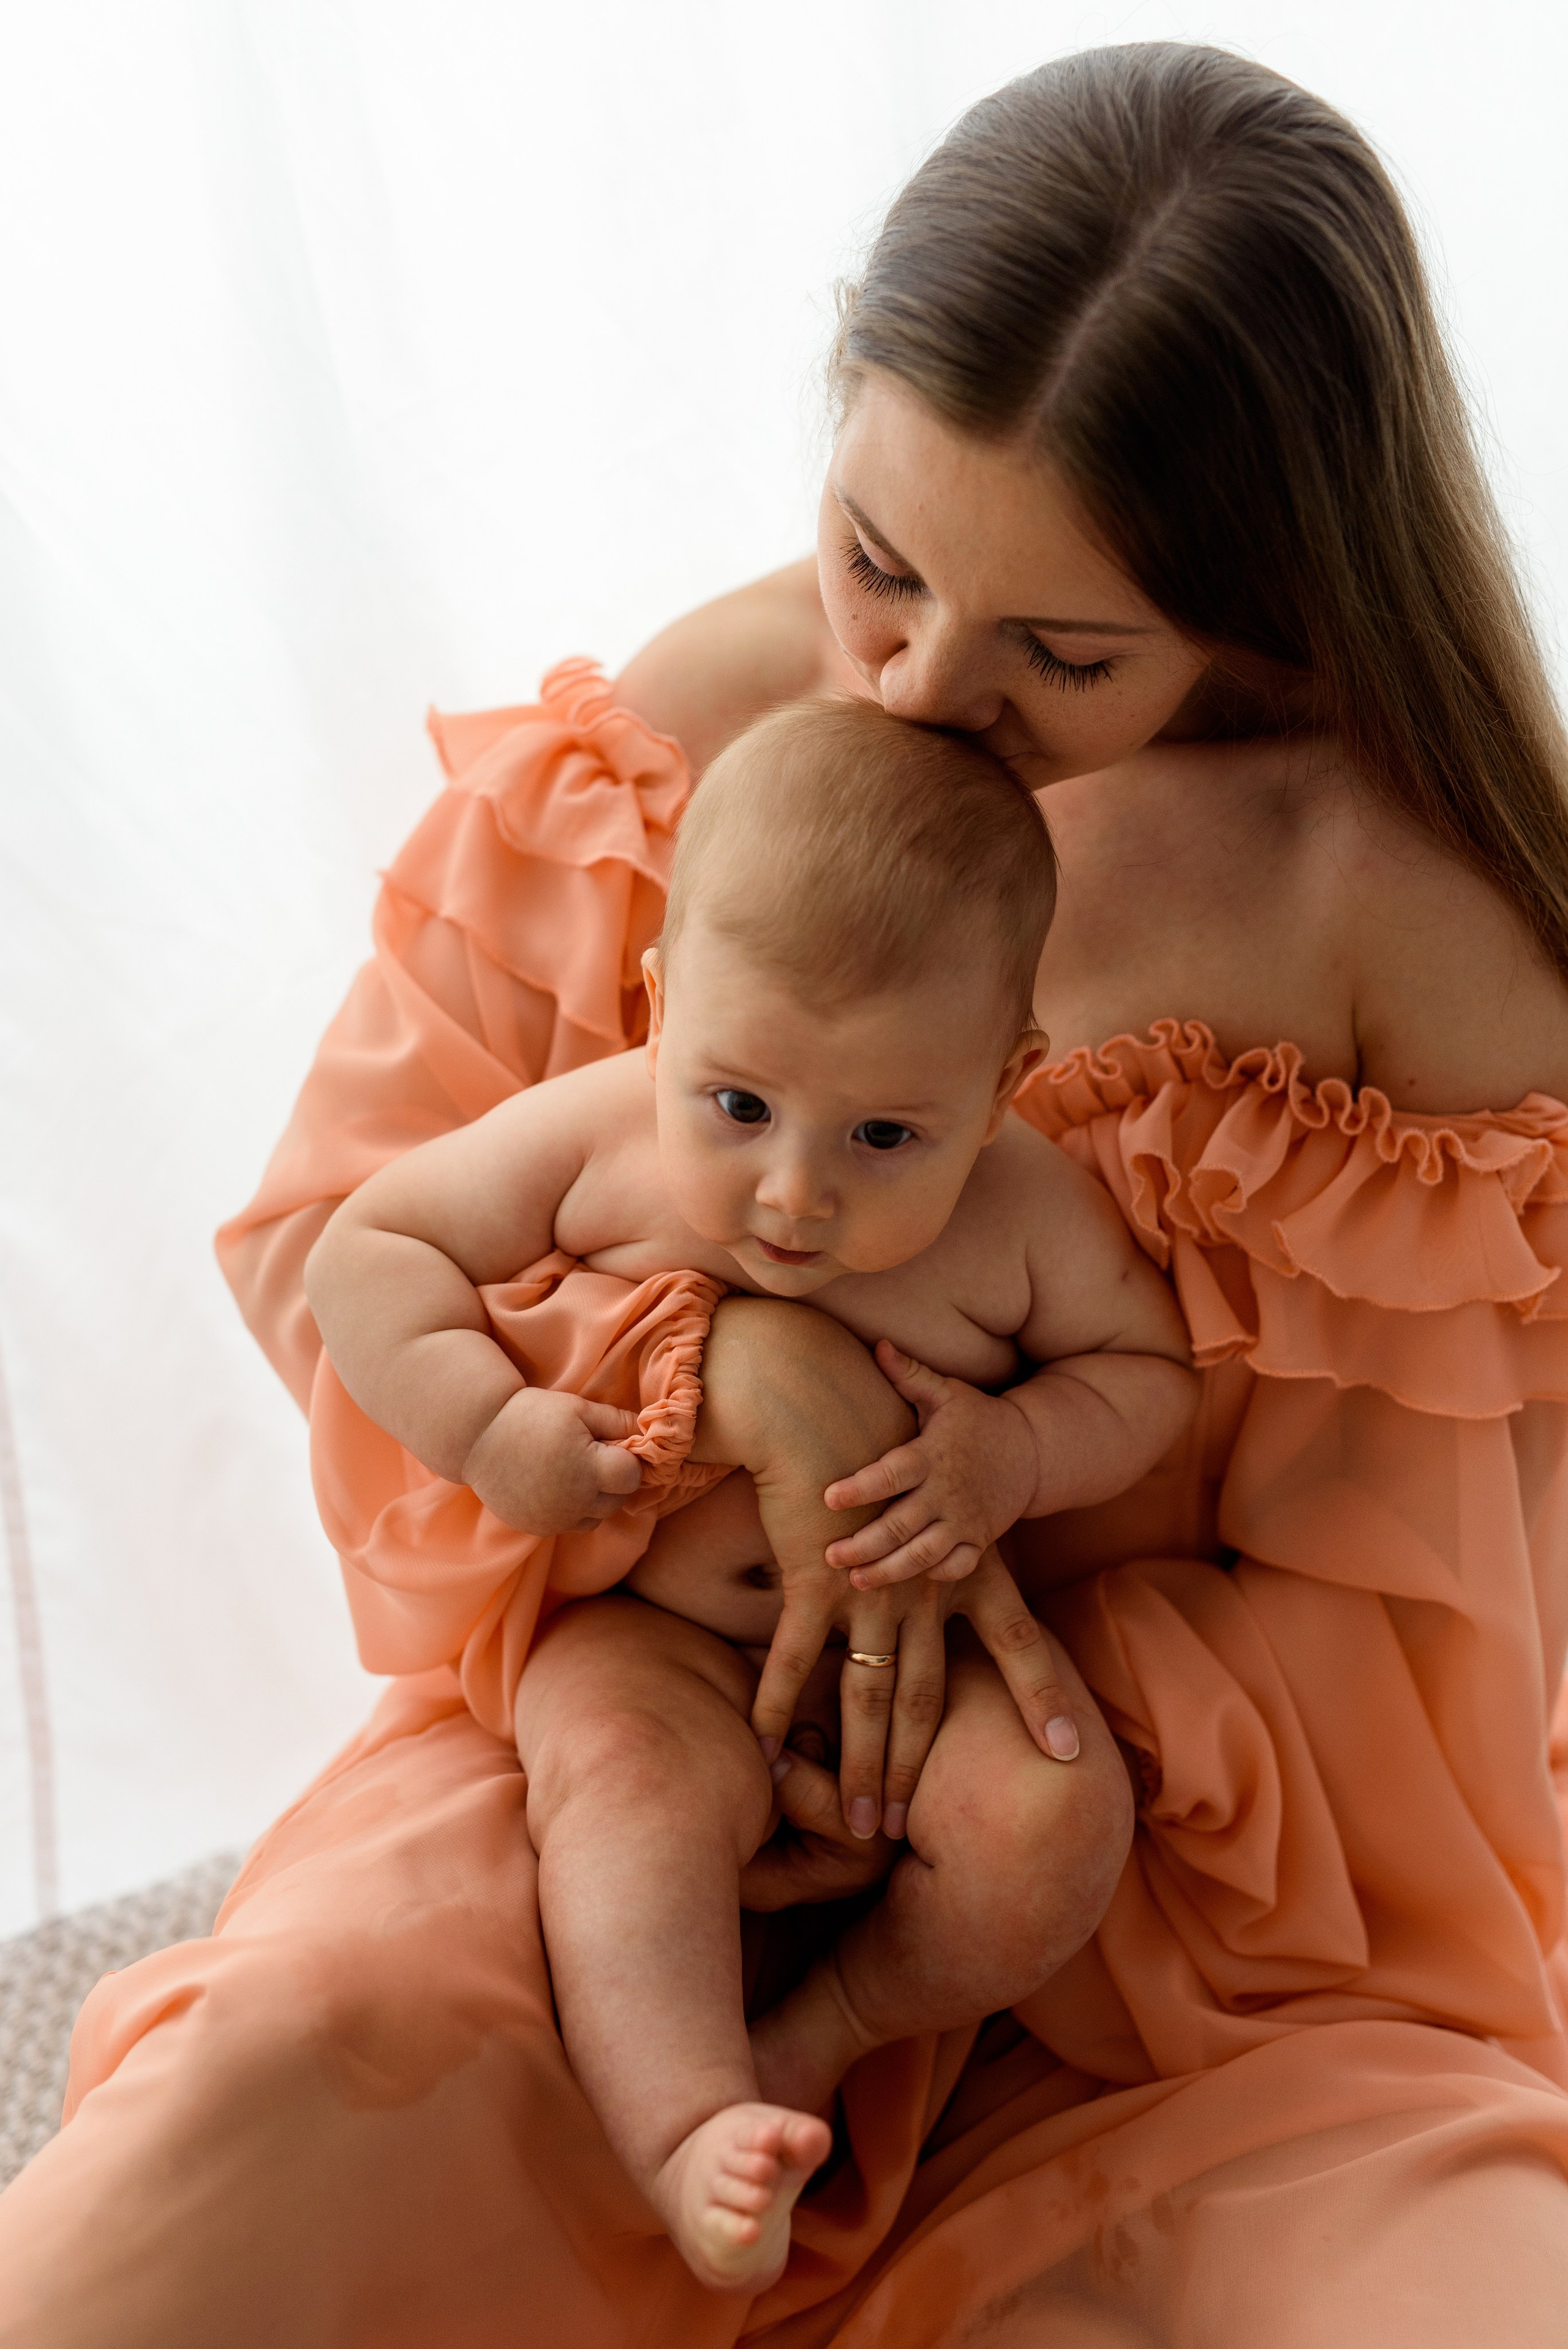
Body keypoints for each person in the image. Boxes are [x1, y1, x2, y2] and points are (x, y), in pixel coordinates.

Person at [4, 38, 1568, 2347]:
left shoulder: (1394, 913)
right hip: (621, 1751)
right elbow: (339, 1258)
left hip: (1161, 1918)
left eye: (1066, 652)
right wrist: (744, 1377)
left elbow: (1443, 1651)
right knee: (239, 2153)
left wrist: (992, 1626)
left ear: (1253, 595)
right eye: (879, 561)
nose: (925, 692)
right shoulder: (693, 733)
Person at [303, 696, 1193, 2288]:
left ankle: (817, 2030)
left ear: (1004, 1087)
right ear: (662, 1002)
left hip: (914, 1674)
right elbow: (363, 1252)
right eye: (738, 1105)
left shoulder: (1026, 1214)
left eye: (883, 1133)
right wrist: (494, 1424)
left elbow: (1151, 1379)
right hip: (649, 1639)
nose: (795, 1190)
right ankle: (684, 2120)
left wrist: (1020, 1451)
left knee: (1060, 1812)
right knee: (625, 1807)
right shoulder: (594, 1136)